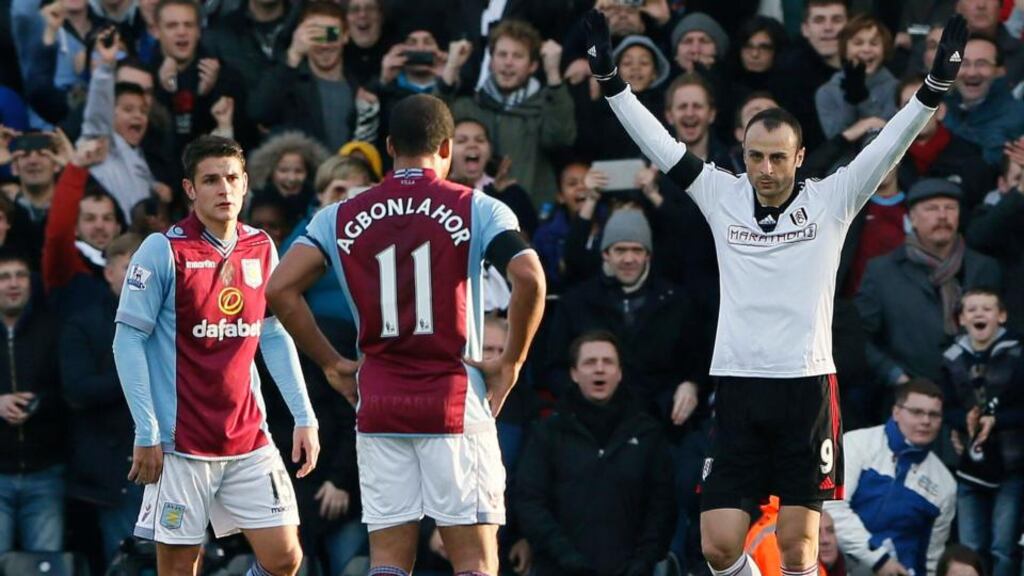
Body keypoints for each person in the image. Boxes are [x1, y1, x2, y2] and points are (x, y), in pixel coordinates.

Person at [584, 9, 968, 576]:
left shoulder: (833, 198)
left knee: (797, 551)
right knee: (716, 545)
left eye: (776, 157)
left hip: (807, 389)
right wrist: (613, 84)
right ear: (743, 154)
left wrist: (933, 89)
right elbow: (660, 143)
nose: (765, 168)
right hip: (738, 385)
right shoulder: (720, 193)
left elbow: (890, 143)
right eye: (755, 156)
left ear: (799, 157)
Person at [265, 93, 546, 576]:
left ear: (390, 146)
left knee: (390, 562)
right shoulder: (477, 207)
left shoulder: (339, 214)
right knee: (476, 562)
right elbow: (530, 277)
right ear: (447, 148)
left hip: (379, 405)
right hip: (454, 403)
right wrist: (512, 363)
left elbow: (280, 288)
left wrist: (333, 364)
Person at [112, 135, 320, 576]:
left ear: (245, 183)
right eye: (210, 180)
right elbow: (126, 340)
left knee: (285, 558)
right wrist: (146, 430)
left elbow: (273, 333)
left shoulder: (261, 246)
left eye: (231, 178)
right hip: (181, 445)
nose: (223, 189)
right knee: (179, 568)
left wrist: (304, 415)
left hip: (248, 437)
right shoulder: (163, 250)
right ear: (190, 189)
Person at [516, 331, 676, 576]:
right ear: (574, 373)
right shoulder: (547, 433)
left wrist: (642, 562)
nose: (599, 369)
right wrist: (567, 558)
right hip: (561, 570)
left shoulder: (648, 434)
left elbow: (661, 506)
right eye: (590, 362)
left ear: (620, 373)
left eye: (608, 362)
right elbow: (530, 502)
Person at [856, 179, 1002, 389]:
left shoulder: (984, 268)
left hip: (974, 393)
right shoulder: (882, 271)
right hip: (909, 398)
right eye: (932, 209)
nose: (942, 215)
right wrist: (896, 376)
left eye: (950, 208)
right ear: (912, 218)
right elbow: (860, 337)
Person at [59, 232, 144, 564]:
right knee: (127, 563)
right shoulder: (85, 324)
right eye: (129, 268)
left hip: (173, 467)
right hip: (117, 471)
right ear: (108, 272)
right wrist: (136, 376)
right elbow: (77, 390)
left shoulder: (173, 322)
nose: (139, 277)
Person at [824, 380, 956, 576]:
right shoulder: (856, 444)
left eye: (934, 415)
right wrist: (878, 559)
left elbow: (930, 559)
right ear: (896, 412)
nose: (926, 421)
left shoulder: (945, 483)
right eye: (917, 412)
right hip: (839, 567)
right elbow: (831, 507)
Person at [940, 289, 1023, 576]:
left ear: (1001, 316)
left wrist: (996, 420)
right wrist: (964, 421)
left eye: (987, 309)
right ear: (961, 319)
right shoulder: (951, 356)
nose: (979, 314)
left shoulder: (1018, 352)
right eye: (971, 309)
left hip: (1011, 463)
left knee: (1003, 547)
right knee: (970, 547)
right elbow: (945, 407)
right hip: (969, 465)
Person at [0, 250, 65, 556]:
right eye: (4, 277)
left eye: (20, 275)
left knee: (45, 565)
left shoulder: (52, 328)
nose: (13, 284)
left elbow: (70, 391)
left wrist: (40, 403)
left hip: (45, 473)